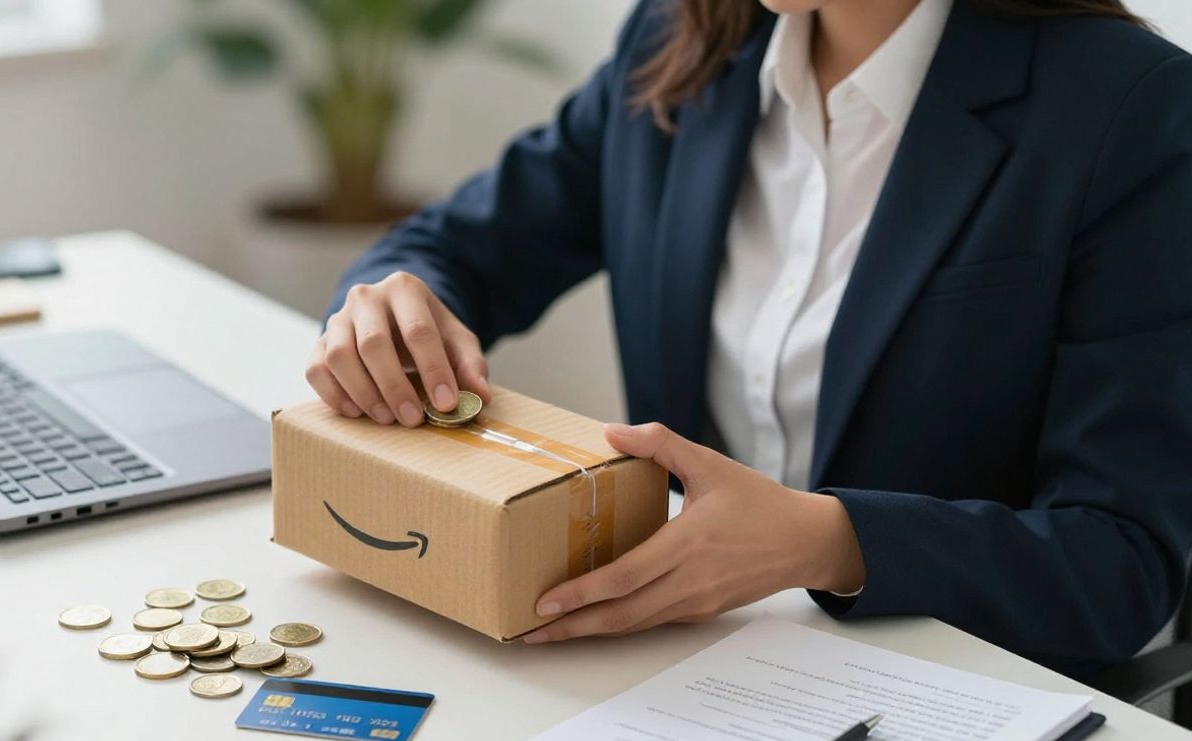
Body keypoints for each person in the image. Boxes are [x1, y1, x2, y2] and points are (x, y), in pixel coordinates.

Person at [305, 0, 1192, 677]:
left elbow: (1122, 562)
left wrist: (827, 541)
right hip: (679, 671)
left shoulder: (1130, 108)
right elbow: (455, 247)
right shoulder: (681, 37)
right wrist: (388, 304)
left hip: (945, 687)